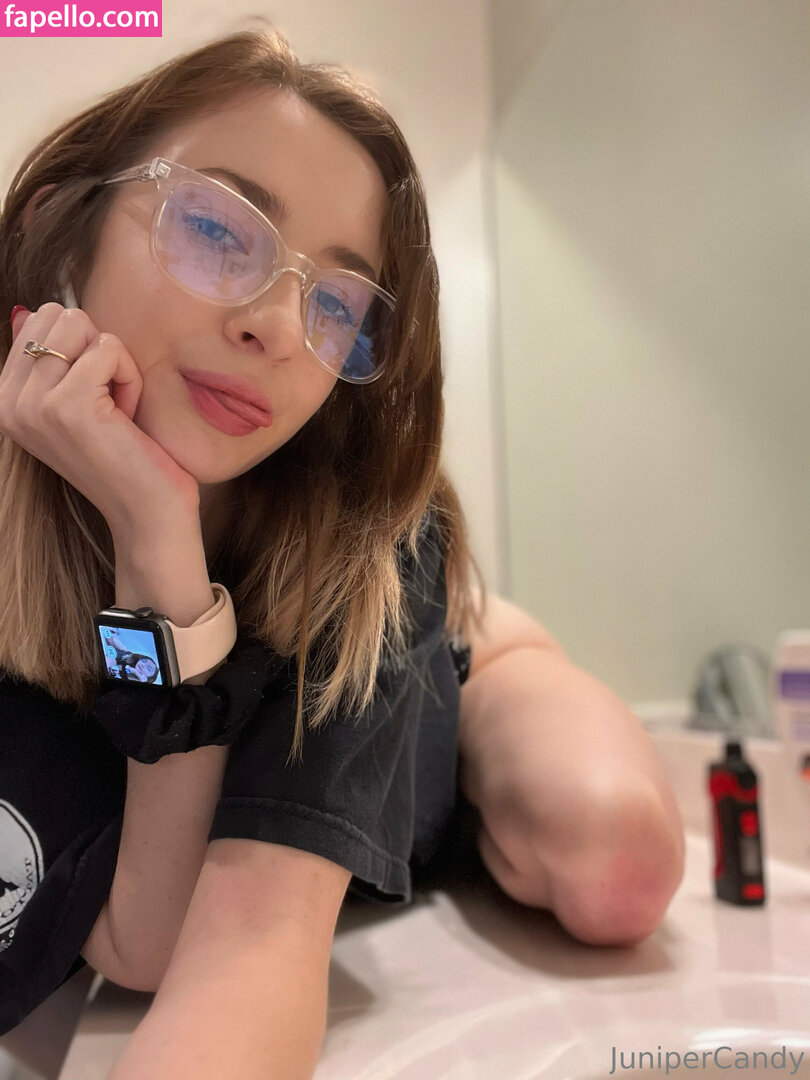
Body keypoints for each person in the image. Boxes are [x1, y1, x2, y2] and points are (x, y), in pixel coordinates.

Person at [0, 22, 685, 1078]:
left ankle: (471, 642)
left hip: (433, 671)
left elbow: (253, 949)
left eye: (337, 302)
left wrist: (160, 550)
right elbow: (141, 945)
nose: (278, 327)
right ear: (61, 229)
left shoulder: (359, 547)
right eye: (218, 229)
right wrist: (157, 542)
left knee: (616, 863)